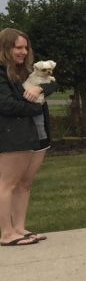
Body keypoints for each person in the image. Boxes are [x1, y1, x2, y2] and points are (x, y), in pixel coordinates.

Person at [0, 28, 54, 246]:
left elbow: (52, 84)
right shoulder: (1, 72)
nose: (23, 52)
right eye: (18, 47)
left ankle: (20, 228)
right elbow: (6, 104)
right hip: (15, 135)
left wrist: (39, 91)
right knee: (7, 184)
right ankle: (6, 233)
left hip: (37, 134)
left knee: (25, 183)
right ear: (6, 48)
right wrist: (34, 105)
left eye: (25, 47)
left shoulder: (26, 71)